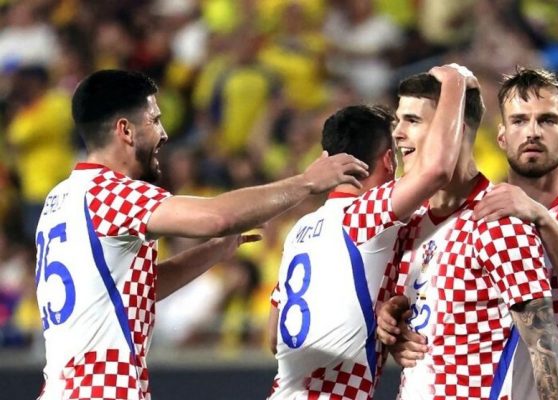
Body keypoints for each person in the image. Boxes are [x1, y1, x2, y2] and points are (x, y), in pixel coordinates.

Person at [34, 69, 368, 400]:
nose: (164, 133)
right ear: (125, 130)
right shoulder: (110, 193)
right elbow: (217, 217)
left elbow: (135, 291)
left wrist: (215, 251)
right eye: (155, 120)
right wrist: (306, 182)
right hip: (102, 391)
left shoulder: (60, 199)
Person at [379, 67, 558, 399]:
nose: (533, 132)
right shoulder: (478, 213)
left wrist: (540, 217)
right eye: (519, 121)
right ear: (502, 135)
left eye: (547, 120)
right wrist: (400, 320)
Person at [267, 63, 474, 399]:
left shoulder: (300, 229)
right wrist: (453, 81)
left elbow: (273, 336)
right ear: (389, 161)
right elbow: (437, 170)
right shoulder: (363, 214)